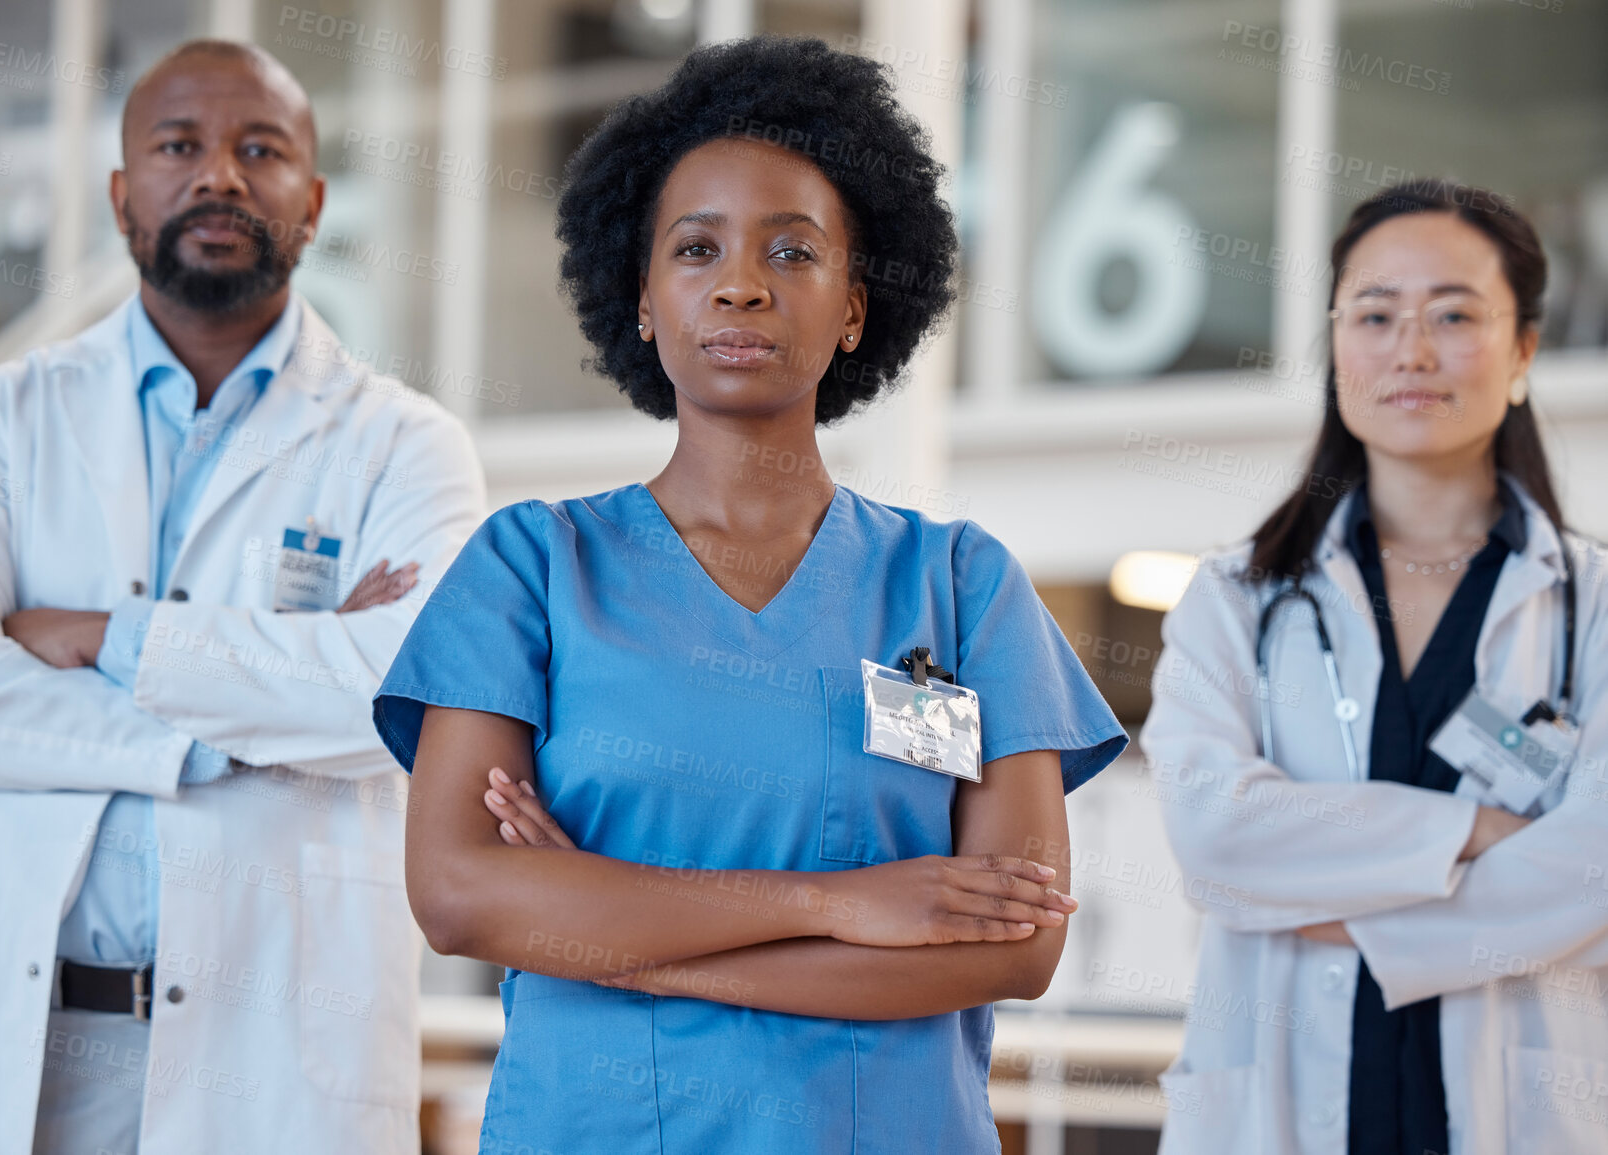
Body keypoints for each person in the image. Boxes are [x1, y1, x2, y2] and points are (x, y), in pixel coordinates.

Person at [373, 36, 1125, 1155]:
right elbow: (459, 901)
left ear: (856, 308)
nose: (741, 283)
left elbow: (1014, 946)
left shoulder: (962, 586)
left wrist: (593, 917)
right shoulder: (530, 567)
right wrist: (840, 905)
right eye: (696, 248)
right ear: (641, 300)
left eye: (792, 250)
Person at [0, 40, 484, 1155]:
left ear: (313, 199)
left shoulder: (407, 447)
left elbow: (400, 699)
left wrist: (105, 637)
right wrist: (234, 724)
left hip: (277, 1067)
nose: (220, 176)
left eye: (262, 148)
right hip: (24, 1050)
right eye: (178, 146)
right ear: (121, 194)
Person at [1142, 181, 1608, 1155]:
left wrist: (1371, 932)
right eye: (1376, 314)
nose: (1412, 349)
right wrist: (1477, 831)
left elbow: (1596, 869)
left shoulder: (1594, 606)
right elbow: (1216, 834)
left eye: (1453, 314)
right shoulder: (1237, 598)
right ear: (1335, 346)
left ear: (1524, 351)